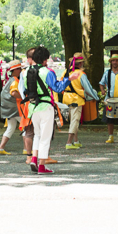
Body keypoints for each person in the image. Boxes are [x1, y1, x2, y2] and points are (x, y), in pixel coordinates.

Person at [24, 46, 80, 174]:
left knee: (37, 135)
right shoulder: (47, 72)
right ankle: (42, 166)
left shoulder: (27, 71)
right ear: (45, 59)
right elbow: (57, 88)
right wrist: (69, 79)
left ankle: (34, 158)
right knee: (45, 137)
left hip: (33, 107)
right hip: (46, 107)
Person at [61, 52, 99, 150]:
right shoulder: (81, 74)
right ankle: (69, 142)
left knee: (72, 121)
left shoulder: (65, 72)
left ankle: (76, 141)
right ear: (81, 63)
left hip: (66, 99)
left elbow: (61, 86)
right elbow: (88, 89)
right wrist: (96, 97)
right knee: (75, 121)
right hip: (76, 100)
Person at [0, 60, 23, 155]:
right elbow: (14, 93)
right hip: (15, 108)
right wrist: (24, 97)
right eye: (19, 69)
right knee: (26, 126)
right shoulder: (15, 81)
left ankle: (1, 148)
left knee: (11, 128)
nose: (21, 70)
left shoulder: (10, 80)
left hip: (8, 108)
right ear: (15, 70)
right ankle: (27, 149)